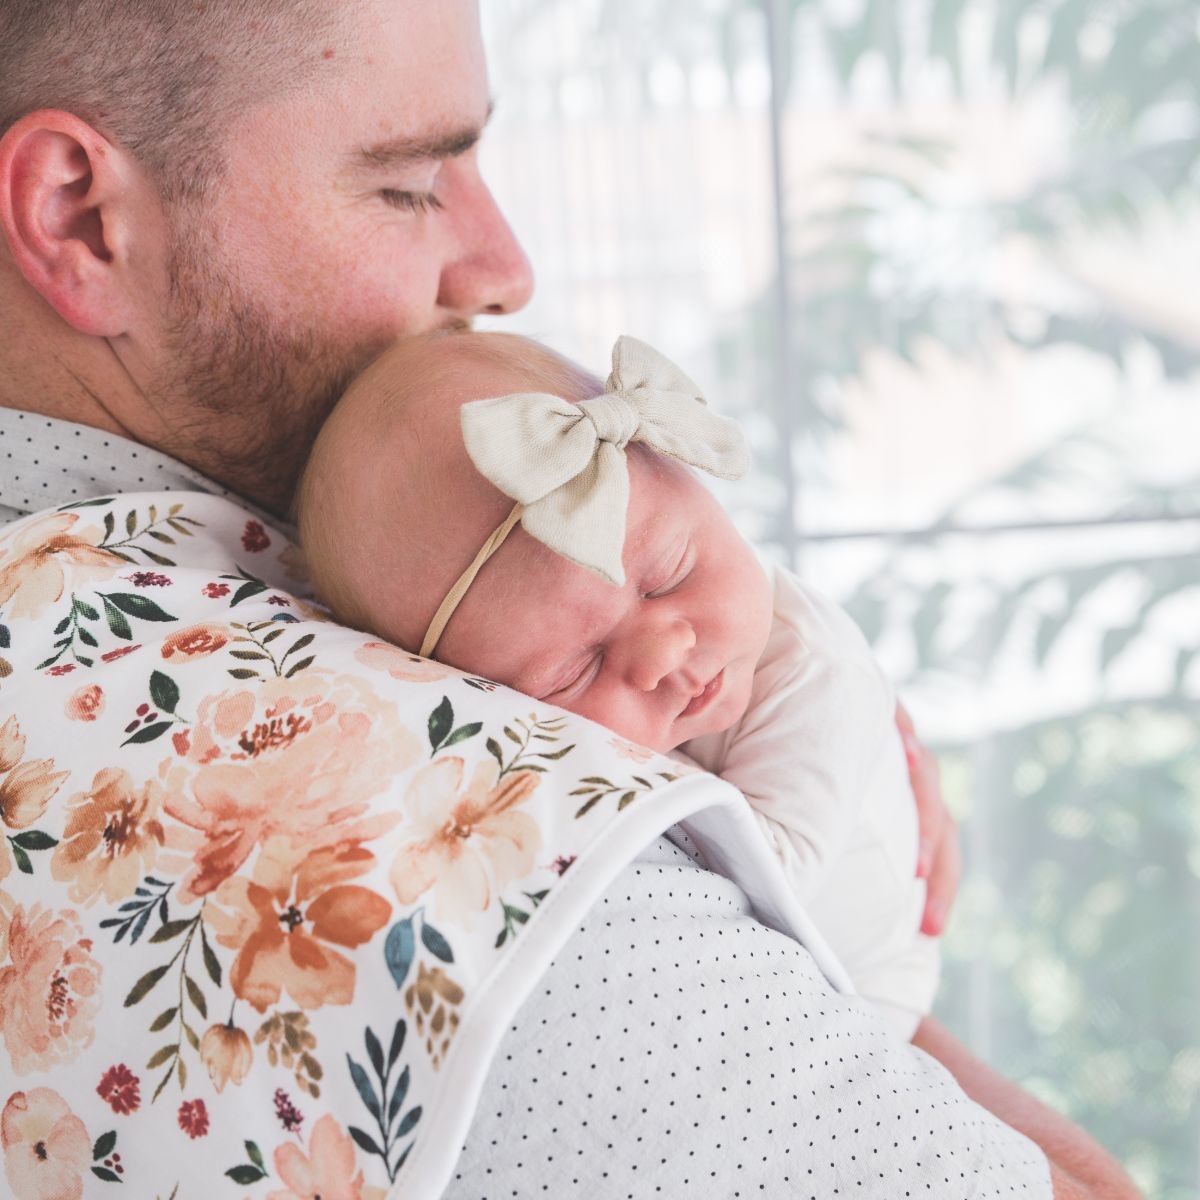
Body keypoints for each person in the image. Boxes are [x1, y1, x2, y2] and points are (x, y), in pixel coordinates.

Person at [0, 1, 1137, 1196]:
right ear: (80, 217)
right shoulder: (461, 860)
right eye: (410, 183)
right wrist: (831, 899)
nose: (507, 267)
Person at [297, 329, 941, 1038]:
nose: (664, 651)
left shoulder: (815, 674)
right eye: (576, 670)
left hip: (876, 975)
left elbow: (768, 889)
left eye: (672, 573)